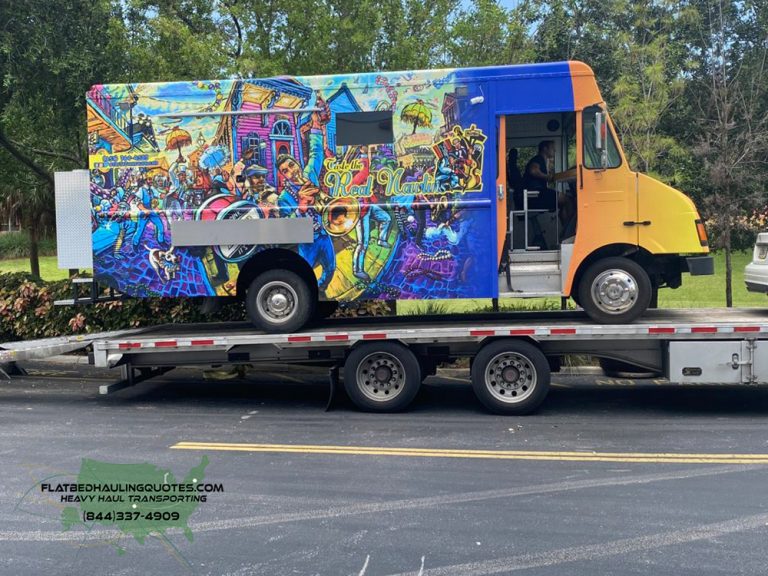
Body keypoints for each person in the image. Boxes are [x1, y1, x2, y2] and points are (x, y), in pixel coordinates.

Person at [522, 140, 558, 211]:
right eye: (552, 148)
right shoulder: (538, 159)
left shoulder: (543, 161)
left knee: (564, 201)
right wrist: (547, 177)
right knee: (567, 200)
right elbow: (533, 171)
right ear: (545, 149)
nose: (555, 150)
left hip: (539, 194)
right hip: (536, 195)